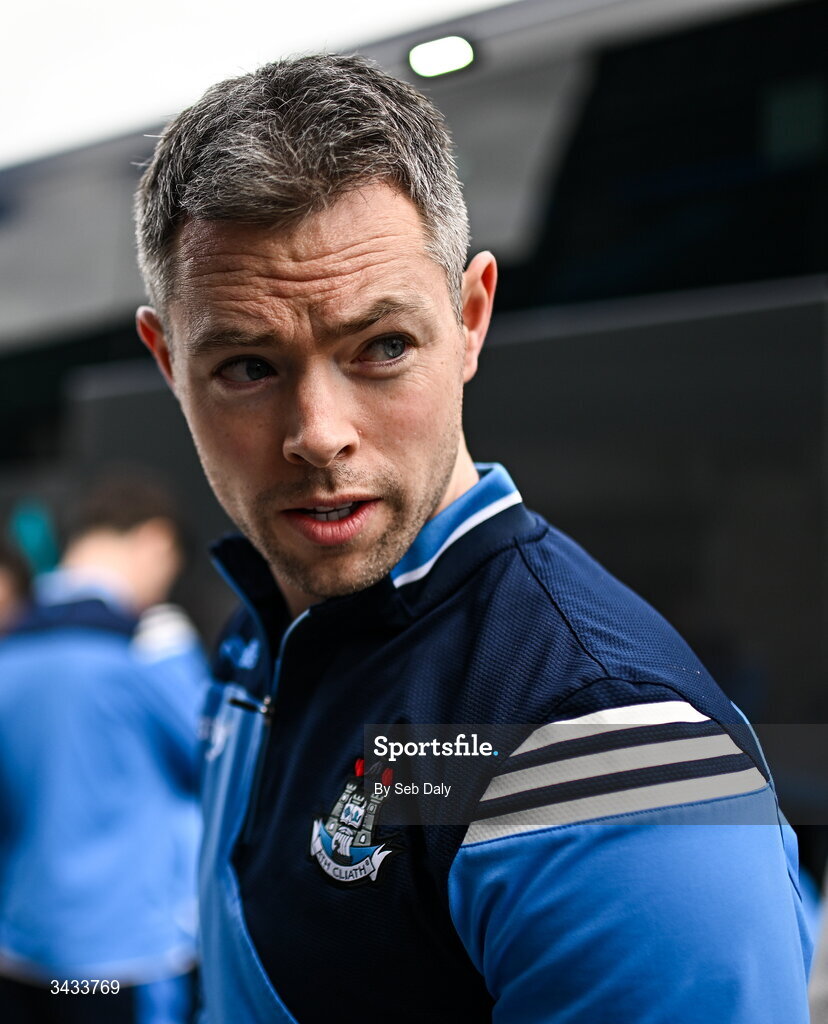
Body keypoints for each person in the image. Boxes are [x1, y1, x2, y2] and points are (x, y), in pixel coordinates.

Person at [134, 54, 812, 1022]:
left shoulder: (603, 750)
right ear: (167, 360)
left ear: (471, 317)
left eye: (382, 347)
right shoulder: (274, 623)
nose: (318, 432)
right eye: (248, 365)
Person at [0, 475, 208, 1024]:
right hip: (121, 963)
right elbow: (220, 763)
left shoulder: (10, 646)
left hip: (23, 953)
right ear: (157, 544)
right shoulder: (150, 646)